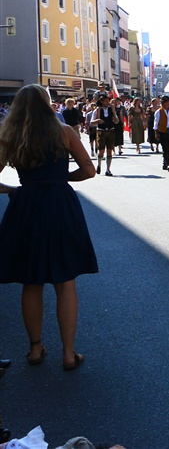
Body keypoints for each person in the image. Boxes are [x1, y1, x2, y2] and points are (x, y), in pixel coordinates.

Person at [0, 84, 97, 372]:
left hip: (26, 204)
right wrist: (61, 178)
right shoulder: (64, 132)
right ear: (47, 104)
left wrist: (12, 190)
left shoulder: (10, 136)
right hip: (59, 204)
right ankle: (68, 354)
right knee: (65, 281)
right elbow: (89, 170)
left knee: (31, 281)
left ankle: (34, 349)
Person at [91, 92, 119, 176]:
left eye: (108, 101)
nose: (108, 103)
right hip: (101, 131)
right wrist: (97, 121)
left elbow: (117, 121)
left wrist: (115, 119)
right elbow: (91, 122)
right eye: (106, 101)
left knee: (109, 151)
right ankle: (99, 165)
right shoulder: (97, 110)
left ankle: (108, 169)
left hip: (110, 131)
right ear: (102, 101)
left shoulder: (112, 109)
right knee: (101, 151)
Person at [153, 95, 169, 172]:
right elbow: (156, 123)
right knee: (165, 148)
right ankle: (168, 164)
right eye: (168, 102)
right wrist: (156, 133)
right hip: (162, 131)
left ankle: (165, 162)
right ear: (164, 103)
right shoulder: (159, 112)